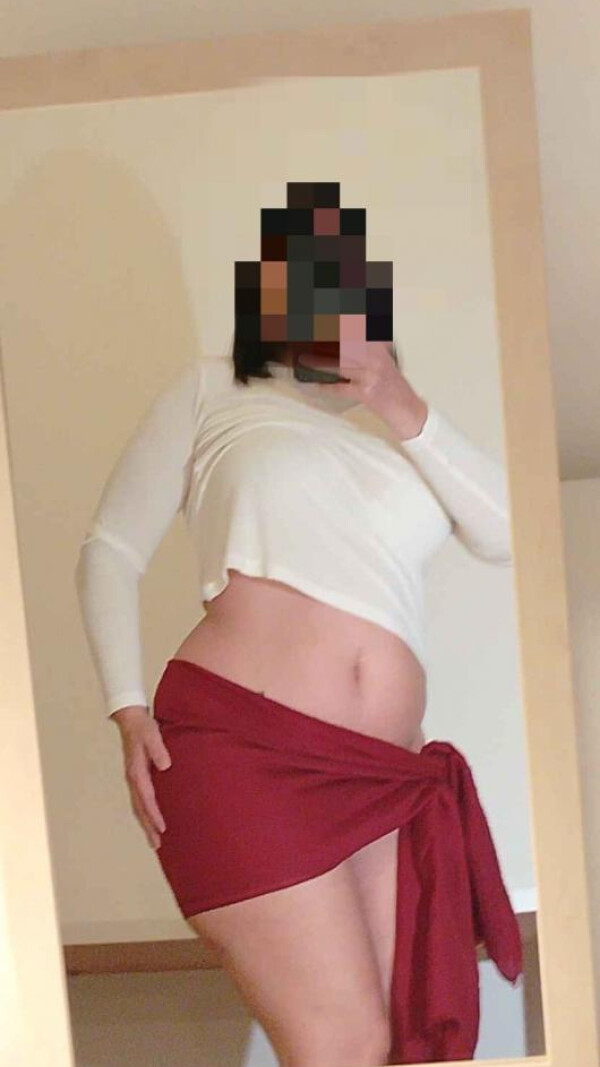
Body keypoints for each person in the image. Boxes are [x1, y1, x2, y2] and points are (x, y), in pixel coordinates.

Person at [75, 183, 522, 1067]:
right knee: (342, 1041)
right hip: (246, 754)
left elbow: (510, 532)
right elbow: (109, 549)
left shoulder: (403, 436)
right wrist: (127, 709)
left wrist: (398, 397)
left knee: (401, 1046)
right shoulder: (215, 389)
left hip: (382, 777)